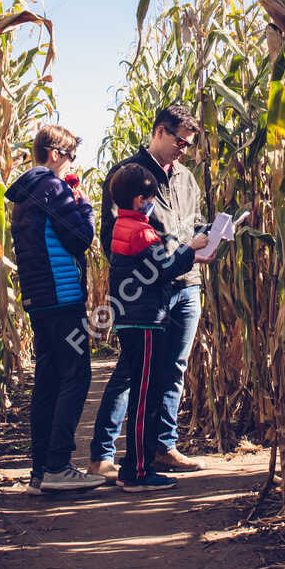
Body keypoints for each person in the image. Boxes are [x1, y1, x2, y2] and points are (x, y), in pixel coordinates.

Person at [89, 103, 207, 479]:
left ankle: (162, 447)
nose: (183, 150)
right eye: (179, 141)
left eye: (188, 145)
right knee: (130, 371)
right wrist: (143, 273)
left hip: (186, 283)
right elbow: (111, 238)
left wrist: (204, 244)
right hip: (147, 292)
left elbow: (195, 222)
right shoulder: (129, 176)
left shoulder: (186, 179)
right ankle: (103, 453)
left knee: (174, 366)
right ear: (159, 132)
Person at [6, 126, 106, 495]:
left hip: (38, 300)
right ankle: (58, 465)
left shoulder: (26, 194)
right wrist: (84, 205)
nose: (70, 164)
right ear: (54, 153)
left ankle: (40, 472)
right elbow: (80, 239)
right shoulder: (52, 188)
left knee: (48, 381)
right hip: (62, 298)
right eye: (70, 156)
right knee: (75, 376)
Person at [105, 162, 209, 488]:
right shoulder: (141, 231)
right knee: (145, 396)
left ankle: (140, 465)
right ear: (140, 200)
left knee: (143, 392)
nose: (152, 204)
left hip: (133, 320)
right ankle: (136, 471)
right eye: (150, 198)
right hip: (145, 321)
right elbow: (162, 269)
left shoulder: (123, 225)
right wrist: (190, 251)